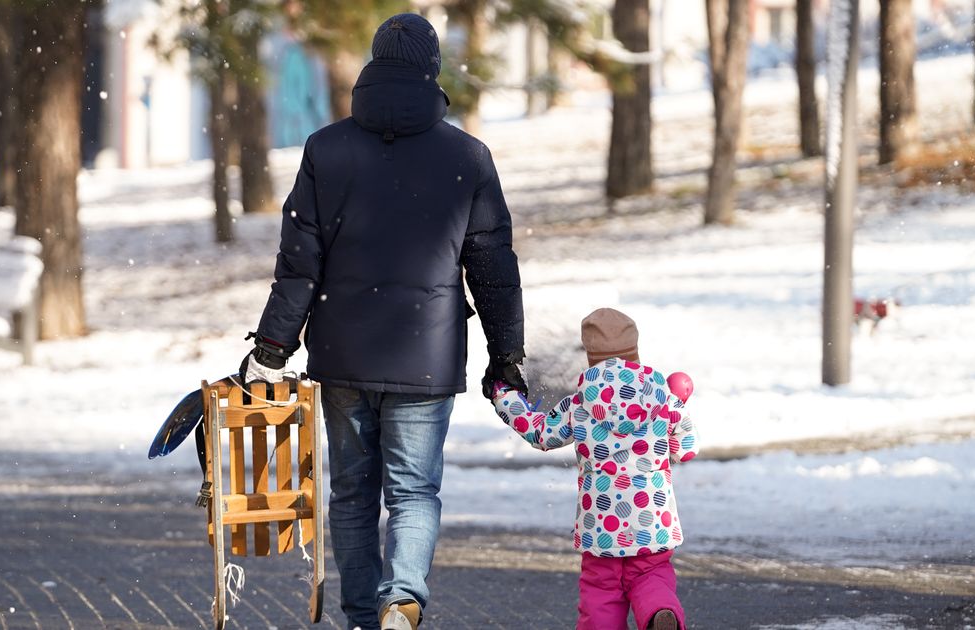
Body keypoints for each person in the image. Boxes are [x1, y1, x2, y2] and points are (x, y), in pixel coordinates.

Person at [238, 13, 526, 630]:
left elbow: (299, 263)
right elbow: (493, 266)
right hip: (427, 354)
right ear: (432, 70)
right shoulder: (467, 156)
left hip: (343, 353)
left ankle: (362, 617)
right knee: (414, 492)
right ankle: (403, 598)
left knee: (351, 495)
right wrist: (506, 356)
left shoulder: (326, 149)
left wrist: (272, 345)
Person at [490, 308, 697, 630]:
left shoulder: (580, 403)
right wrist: (671, 430)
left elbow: (541, 433)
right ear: (635, 353)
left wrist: (506, 398)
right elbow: (685, 451)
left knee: (602, 591)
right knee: (651, 576)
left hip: (601, 522)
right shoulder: (664, 398)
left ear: (591, 356)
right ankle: (659, 611)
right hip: (653, 517)